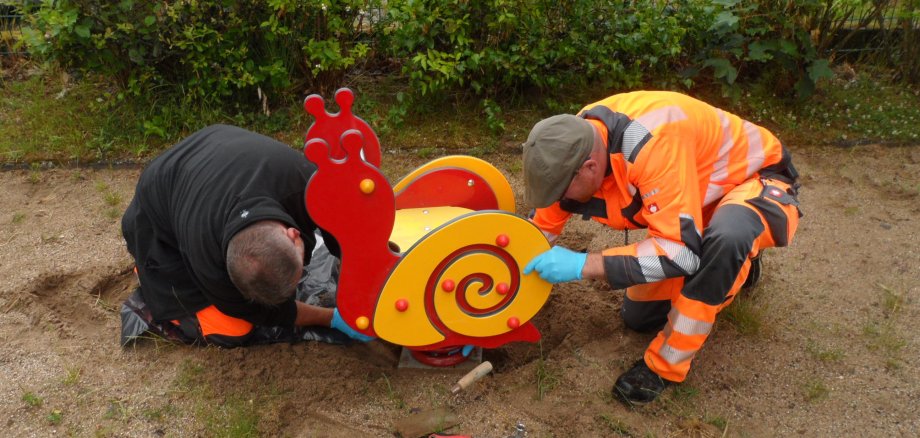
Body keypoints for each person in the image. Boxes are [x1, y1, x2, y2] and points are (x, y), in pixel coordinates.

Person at [521, 91, 802, 404]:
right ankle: (726, 261)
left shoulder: (650, 145)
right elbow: (540, 230)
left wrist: (581, 265)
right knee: (639, 319)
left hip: (754, 181)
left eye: (561, 192)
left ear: (589, 167)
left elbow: (678, 253)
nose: (560, 199)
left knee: (727, 239)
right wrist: (495, 304)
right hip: (694, 199)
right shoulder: (570, 141)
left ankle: (664, 368)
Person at [120, 124, 373, 347]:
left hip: (212, 154)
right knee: (233, 330)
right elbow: (268, 314)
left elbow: (343, 231)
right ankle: (150, 274)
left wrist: (365, 283)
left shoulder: (304, 182)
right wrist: (333, 319)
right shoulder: (208, 262)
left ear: (294, 234)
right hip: (154, 230)